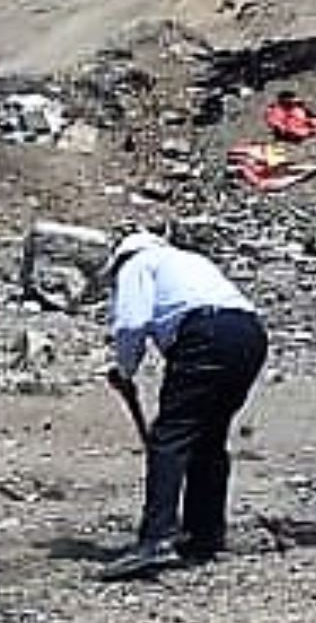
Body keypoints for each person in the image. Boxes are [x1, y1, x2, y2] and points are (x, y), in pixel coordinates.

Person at [99, 232, 268, 581]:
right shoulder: (186, 260)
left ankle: (157, 538)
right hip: (249, 335)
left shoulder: (137, 264)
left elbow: (131, 323)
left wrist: (125, 370)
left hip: (204, 333)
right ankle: (204, 535)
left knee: (170, 437)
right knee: (208, 438)